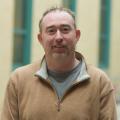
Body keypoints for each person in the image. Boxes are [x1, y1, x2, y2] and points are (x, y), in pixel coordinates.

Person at [1, 7, 117, 120]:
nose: (58, 37)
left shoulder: (99, 82)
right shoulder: (19, 80)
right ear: (41, 39)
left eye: (65, 29)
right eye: (51, 31)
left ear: (76, 35)